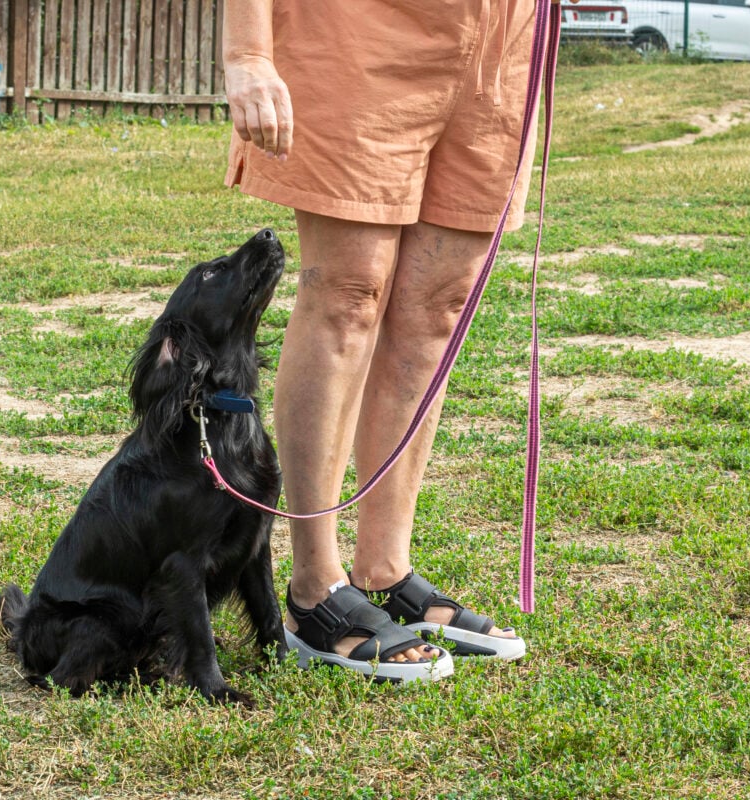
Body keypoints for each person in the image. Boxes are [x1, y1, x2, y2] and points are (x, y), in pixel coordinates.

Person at [221, 1, 544, 682]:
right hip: (359, 27)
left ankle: (384, 567)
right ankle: (315, 588)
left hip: (499, 39)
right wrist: (248, 53)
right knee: (349, 294)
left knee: (439, 308)